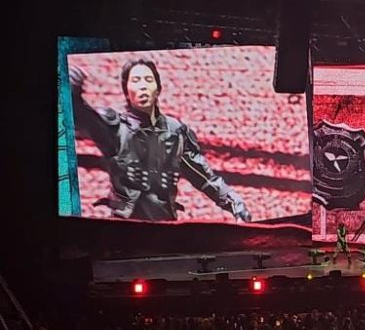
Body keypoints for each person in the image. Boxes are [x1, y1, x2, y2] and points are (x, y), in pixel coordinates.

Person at [69, 59, 251, 222]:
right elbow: (82, 117)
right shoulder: (114, 128)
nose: (142, 87)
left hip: (164, 228)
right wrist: (70, 91)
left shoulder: (176, 132)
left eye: (148, 80)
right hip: (125, 229)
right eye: (136, 81)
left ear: (158, 88)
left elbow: (203, 177)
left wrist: (234, 202)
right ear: (126, 90)